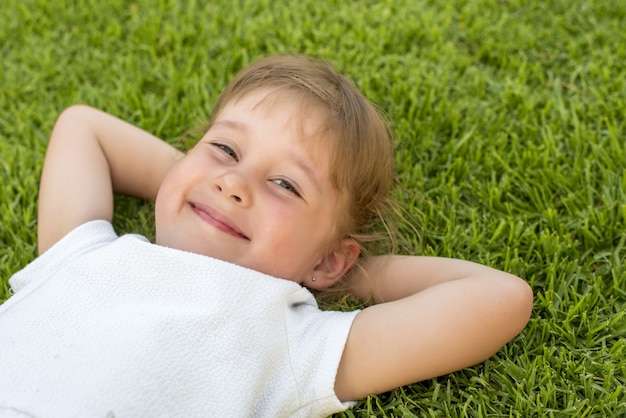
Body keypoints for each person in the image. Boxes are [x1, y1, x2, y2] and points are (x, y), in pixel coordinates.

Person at [0, 55, 533, 417]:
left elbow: (500, 298)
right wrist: (192, 183)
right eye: (226, 150)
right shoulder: (81, 253)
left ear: (328, 261)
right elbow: (83, 125)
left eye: (284, 184)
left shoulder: (291, 341)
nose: (235, 183)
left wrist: (334, 272)